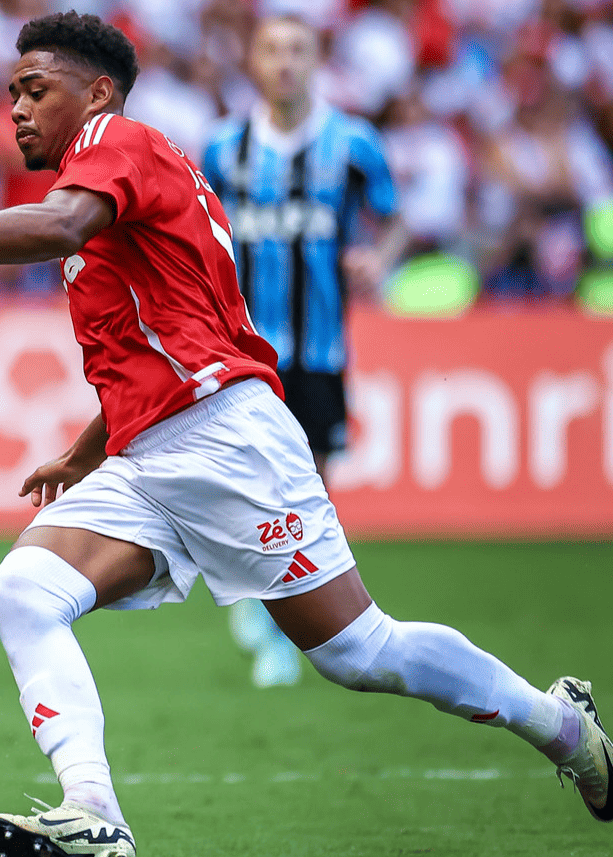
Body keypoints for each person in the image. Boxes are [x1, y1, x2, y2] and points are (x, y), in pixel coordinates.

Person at [0, 12, 613, 857]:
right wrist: (85, 451)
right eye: (12, 91)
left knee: (357, 650)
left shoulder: (117, 143)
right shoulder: (125, 170)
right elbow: (174, 328)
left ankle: (560, 724)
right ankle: (94, 810)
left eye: (34, 89)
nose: (16, 108)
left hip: (226, 439)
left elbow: (58, 232)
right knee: (22, 594)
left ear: (95, 92)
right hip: (153, 449)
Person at [200, 15, 407, 689]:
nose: (285, 62)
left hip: (319, 349)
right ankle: (265, 616)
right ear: (254, 63)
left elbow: (395, 216)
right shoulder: (223, 147)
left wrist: (380, 256)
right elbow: (198, 231)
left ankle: (282, 617)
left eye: (297, 50)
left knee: (311, 489)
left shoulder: (353, 142)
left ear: (316, 61)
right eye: (272, 49)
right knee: (249, 482)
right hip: (243, 349)